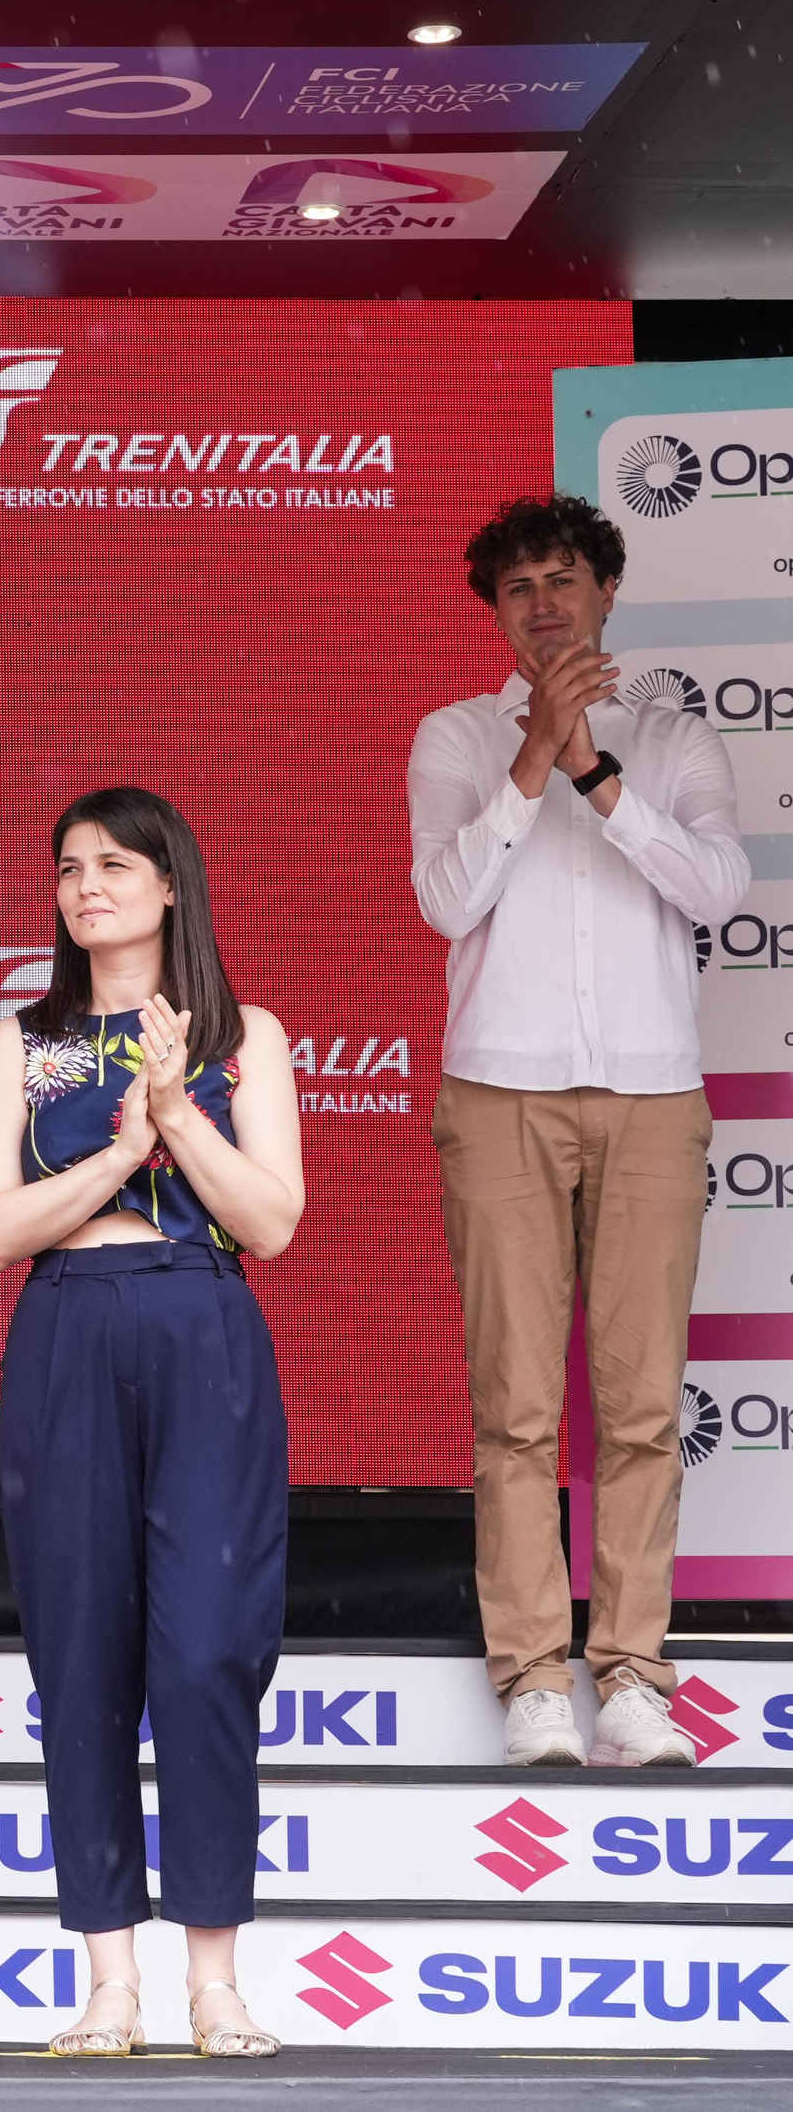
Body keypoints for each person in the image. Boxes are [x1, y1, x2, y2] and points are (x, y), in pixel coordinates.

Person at [0, 786, 305, 2060]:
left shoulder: (241, 1033)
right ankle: (108, 1981)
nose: (85, 887)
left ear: (169, 884)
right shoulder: (21, 1038)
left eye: (112, 864)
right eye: (67, 868)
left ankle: (214, 1980)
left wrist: (171, 1115)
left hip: (201, 1324)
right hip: (66, 1327)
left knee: (206, 1651)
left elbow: (268, 1220)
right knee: (79, 1656)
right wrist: (111, 1159)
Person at [410, 494, 744, 1768]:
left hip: (650, 1094)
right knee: (513, 1409)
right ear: (493, 613)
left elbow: (715, 886)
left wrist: (595, 771)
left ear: (606, 591)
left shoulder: (672, 738)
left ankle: (633, 1675)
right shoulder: (454, 735)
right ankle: (532, 1676)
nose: (541, 603)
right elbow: (444, 902)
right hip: (498, 1092)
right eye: (517, 588)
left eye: (561, 579)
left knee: (642, 1405)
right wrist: (529, 762)